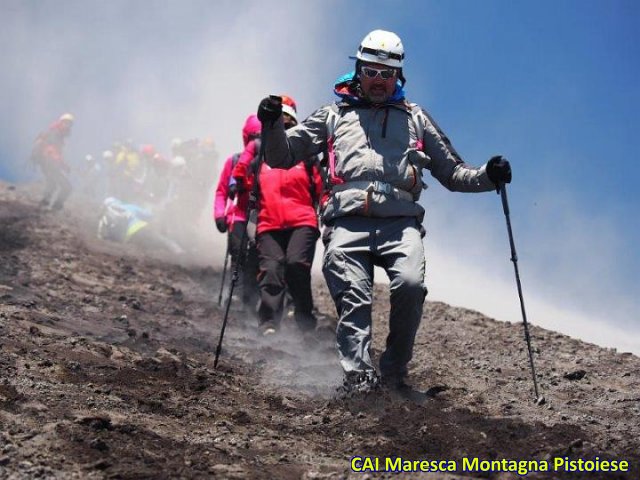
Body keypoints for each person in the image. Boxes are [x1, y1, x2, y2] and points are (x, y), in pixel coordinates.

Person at [256, 30, 512, 395]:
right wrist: (270, 125)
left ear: (398, 76)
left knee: (410, 285)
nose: (378, 80)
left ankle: (394, 373)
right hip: (346, 222)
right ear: (359, 70)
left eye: (386, 73)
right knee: (354, 296)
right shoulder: (333, 116)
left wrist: (489, 175)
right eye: (371, 71)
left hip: (400, 222)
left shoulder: (416, 118)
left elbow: (453, 173)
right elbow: (279, 156)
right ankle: (359, 379)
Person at [232, 96, 324, 336]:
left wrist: (328, 212)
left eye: (287, 120)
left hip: (302, 220)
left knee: (296, 266)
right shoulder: (260, 155)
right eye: (279, 120)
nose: (283, 124)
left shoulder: (307, 154)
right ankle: (269, 322)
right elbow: (248, 185)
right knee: (271, 269)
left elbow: (321, 187)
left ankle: (304, 317)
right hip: (269, 222)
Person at [213, 115, 262, 315]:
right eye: (253, 137)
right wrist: (219, 214)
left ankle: (252, 299)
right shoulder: (234, 162)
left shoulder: (270, 163)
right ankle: (236, 297)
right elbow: (221, 191)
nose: (255, 141)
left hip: (262, 217)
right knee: (238, 254)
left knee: (257, 261)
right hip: (239, 216)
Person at [30, 113, 74, 210]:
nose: (68, 126)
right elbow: (52, 150)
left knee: (52, 184)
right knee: (67, 187)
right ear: (61, 122)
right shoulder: (56, 133)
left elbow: (53, 151)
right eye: (66, 123)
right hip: (50, 164)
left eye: (70, 124)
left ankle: (44, 204)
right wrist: (63, 165)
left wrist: (62, 164)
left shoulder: (55, 133)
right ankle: (56, 207)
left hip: (47, 164)